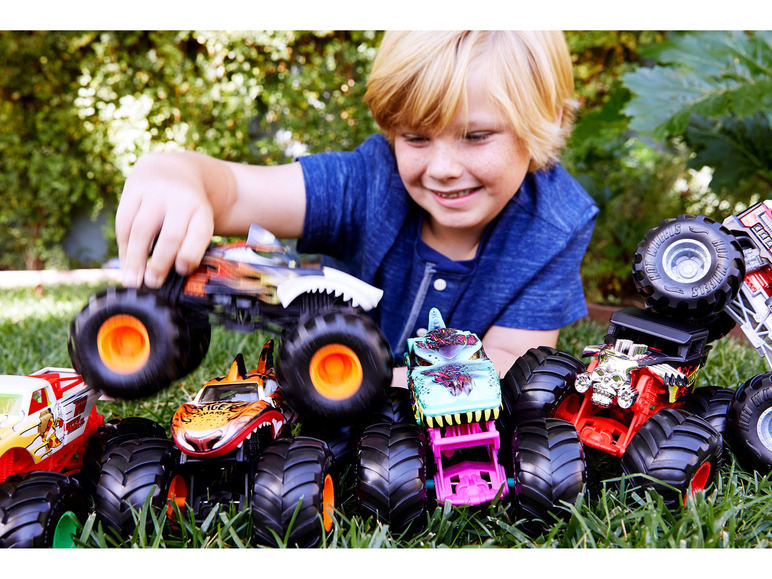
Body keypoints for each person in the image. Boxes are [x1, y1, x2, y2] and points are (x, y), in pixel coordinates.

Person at [116, 30, 598, 387]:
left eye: (475, 136)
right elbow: (237, 191)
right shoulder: (369, 181)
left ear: (549, 120)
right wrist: (177, 172)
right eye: (416, 137)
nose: (443, 169)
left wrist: (372, 383)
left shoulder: (554, 226)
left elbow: (511, 362)